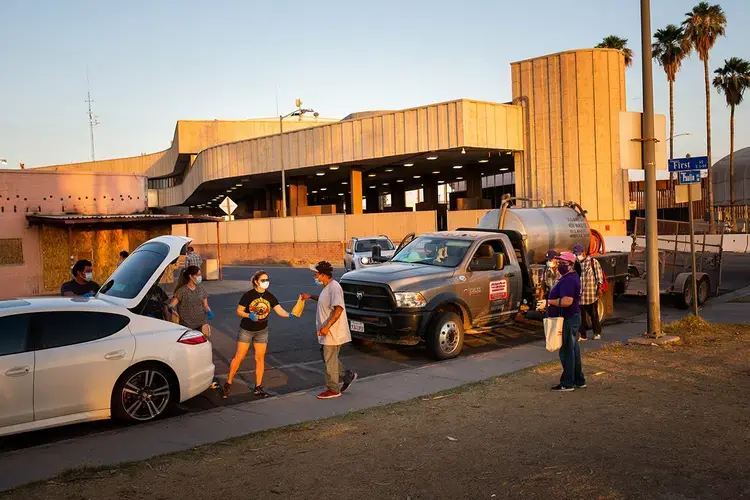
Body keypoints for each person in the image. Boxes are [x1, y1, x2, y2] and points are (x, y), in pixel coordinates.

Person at [223, 270, 296, 398]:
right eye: (263, 280)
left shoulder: (270, 296)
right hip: (246, 329)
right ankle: (228, 382)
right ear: (256, 282)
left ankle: (258, 386)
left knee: (260, 358)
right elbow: (239, 311)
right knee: (239, 356)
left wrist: (290, 315)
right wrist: (248, 315)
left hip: (262, 330)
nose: (266, 282)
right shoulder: (248, 295)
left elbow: (279, 310)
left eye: (267, 280)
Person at [301, 261, 357, 399]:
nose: (314, 277)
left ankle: (333, 389)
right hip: (327, 332)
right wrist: (310, 296)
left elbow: (338, 309)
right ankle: (346, 374)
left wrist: (326, 327)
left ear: (323, 275)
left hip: (333, 333)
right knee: (327, 358)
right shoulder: (327, 288)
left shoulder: (334, 287)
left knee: (329, 360)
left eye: (316, 274)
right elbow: (324, 300)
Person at [547, 251, 585, 392]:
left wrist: (549, 302)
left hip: (568, 317)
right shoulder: (570, 277)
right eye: (559, 263)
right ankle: (578, 379)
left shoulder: (569, 280)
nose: (560, 266)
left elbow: (567, 301)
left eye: (563, 263)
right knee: (573, 349)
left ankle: (568, 382)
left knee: (567, 351)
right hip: (571, 316)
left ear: (571, 264)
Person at [169, 265, 213, 335]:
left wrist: (209, 311)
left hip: (201, 325)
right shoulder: (182, 291)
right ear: (190, 276)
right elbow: (171, 305)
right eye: (198, 275)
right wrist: (173, 312)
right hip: (186, 326)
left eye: (200, 275)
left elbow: (205, 305)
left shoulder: (201, 289)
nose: (200, 277)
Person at [573, 244, 604, 341]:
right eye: (576, 254)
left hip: (591, 293)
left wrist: (599, 288)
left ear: (583, 252)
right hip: (580, 294)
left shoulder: (593, 262)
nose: (577, 256)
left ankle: (597, 332)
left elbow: (599, 276)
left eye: (578, 254)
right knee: (580, 316)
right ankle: (582, 335)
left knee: (593, 314)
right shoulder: (575, 264)